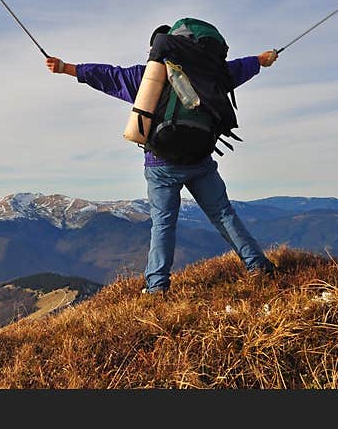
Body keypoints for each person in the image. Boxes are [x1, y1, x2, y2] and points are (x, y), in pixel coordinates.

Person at [45, 24, 278, 296]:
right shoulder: (210, 72)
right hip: (200, 160)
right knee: (223, 214)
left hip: (161, 164)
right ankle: (258, 266)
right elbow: (241, 67)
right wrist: (262, 60)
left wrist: (65, 67)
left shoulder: (146, 76)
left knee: (163, 223)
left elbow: (106, 76)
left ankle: (157, 286)